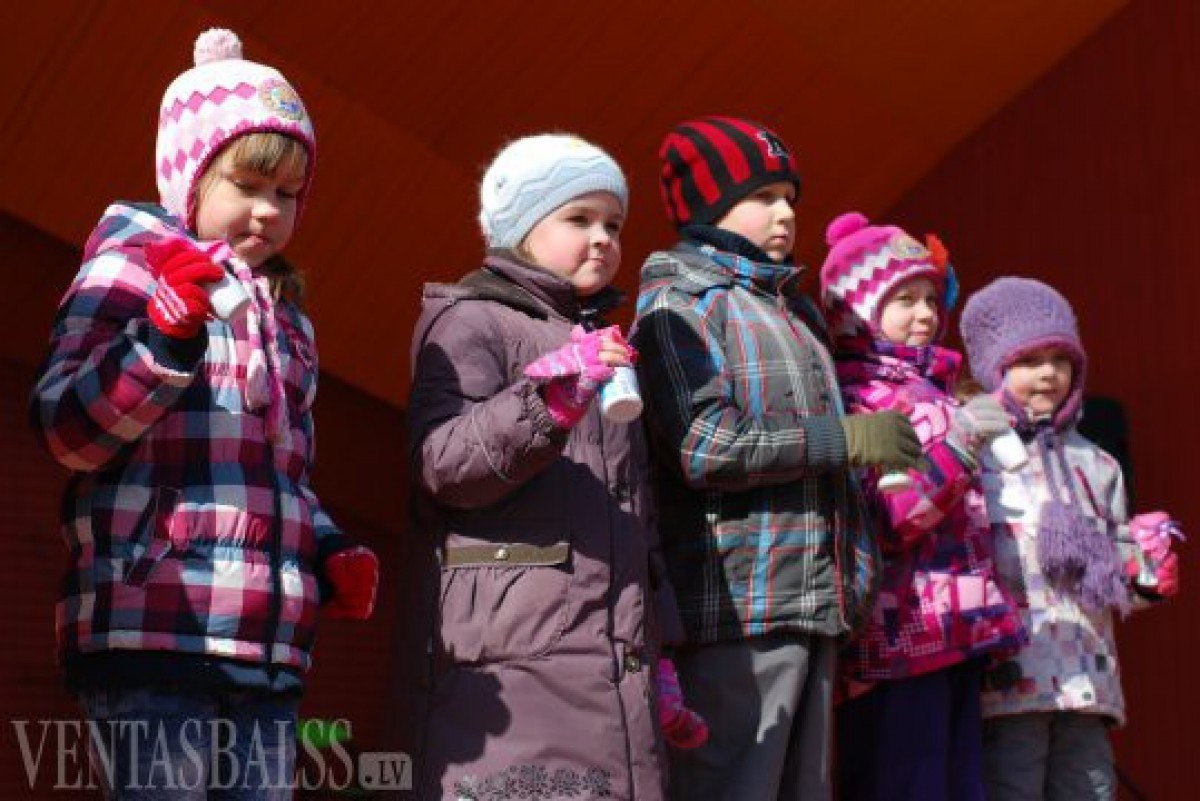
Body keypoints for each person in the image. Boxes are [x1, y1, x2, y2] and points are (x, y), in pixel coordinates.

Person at [28, 29, 378, 798]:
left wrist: (324, 546)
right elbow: (66, 428)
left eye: (287, 193)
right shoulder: (133, 265)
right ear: (190, 174)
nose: (268, 211)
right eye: (247, 184)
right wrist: (164, 332)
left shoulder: (286, 315)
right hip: (155, 627)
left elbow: (281, 472)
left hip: (264, 647)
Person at [632, 117, 922, 800]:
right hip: (735, 616)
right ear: (708, 207)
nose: (785, 213)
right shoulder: (679, 303)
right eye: (762, 196)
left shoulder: (796, 313)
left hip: (813, 607)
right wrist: (844, 438)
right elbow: (704, 443)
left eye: (789, 197)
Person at [408, 133, 703, 801]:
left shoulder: (603, 347)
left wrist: (661, 650)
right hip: (515, 665)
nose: (602, 238)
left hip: (611, 665)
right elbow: (443, 462)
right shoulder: (470, 321)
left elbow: (635, 517)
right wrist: (547, 402)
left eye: (613, 224)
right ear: (520, 227)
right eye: (578, 218)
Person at [818, 213, 1026, 800]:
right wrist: (961, 445)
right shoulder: (859, 398)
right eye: (904, 299)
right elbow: (888, 519)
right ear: (856, 311)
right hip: (899, 643)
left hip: (956, 633)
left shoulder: (936, 389)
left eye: (931, 298)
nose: (926, 314)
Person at [960, 276, 1183, 800]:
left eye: (1061, 360)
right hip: (1008, 683)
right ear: (994, 368)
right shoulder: (976, 456)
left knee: (1090, 789)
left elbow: (1110, 575)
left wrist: (1144, 575)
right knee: (1012, 787)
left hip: (1087, 680)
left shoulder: (1097, 463)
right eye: (1029, 360)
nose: (1048, 373)